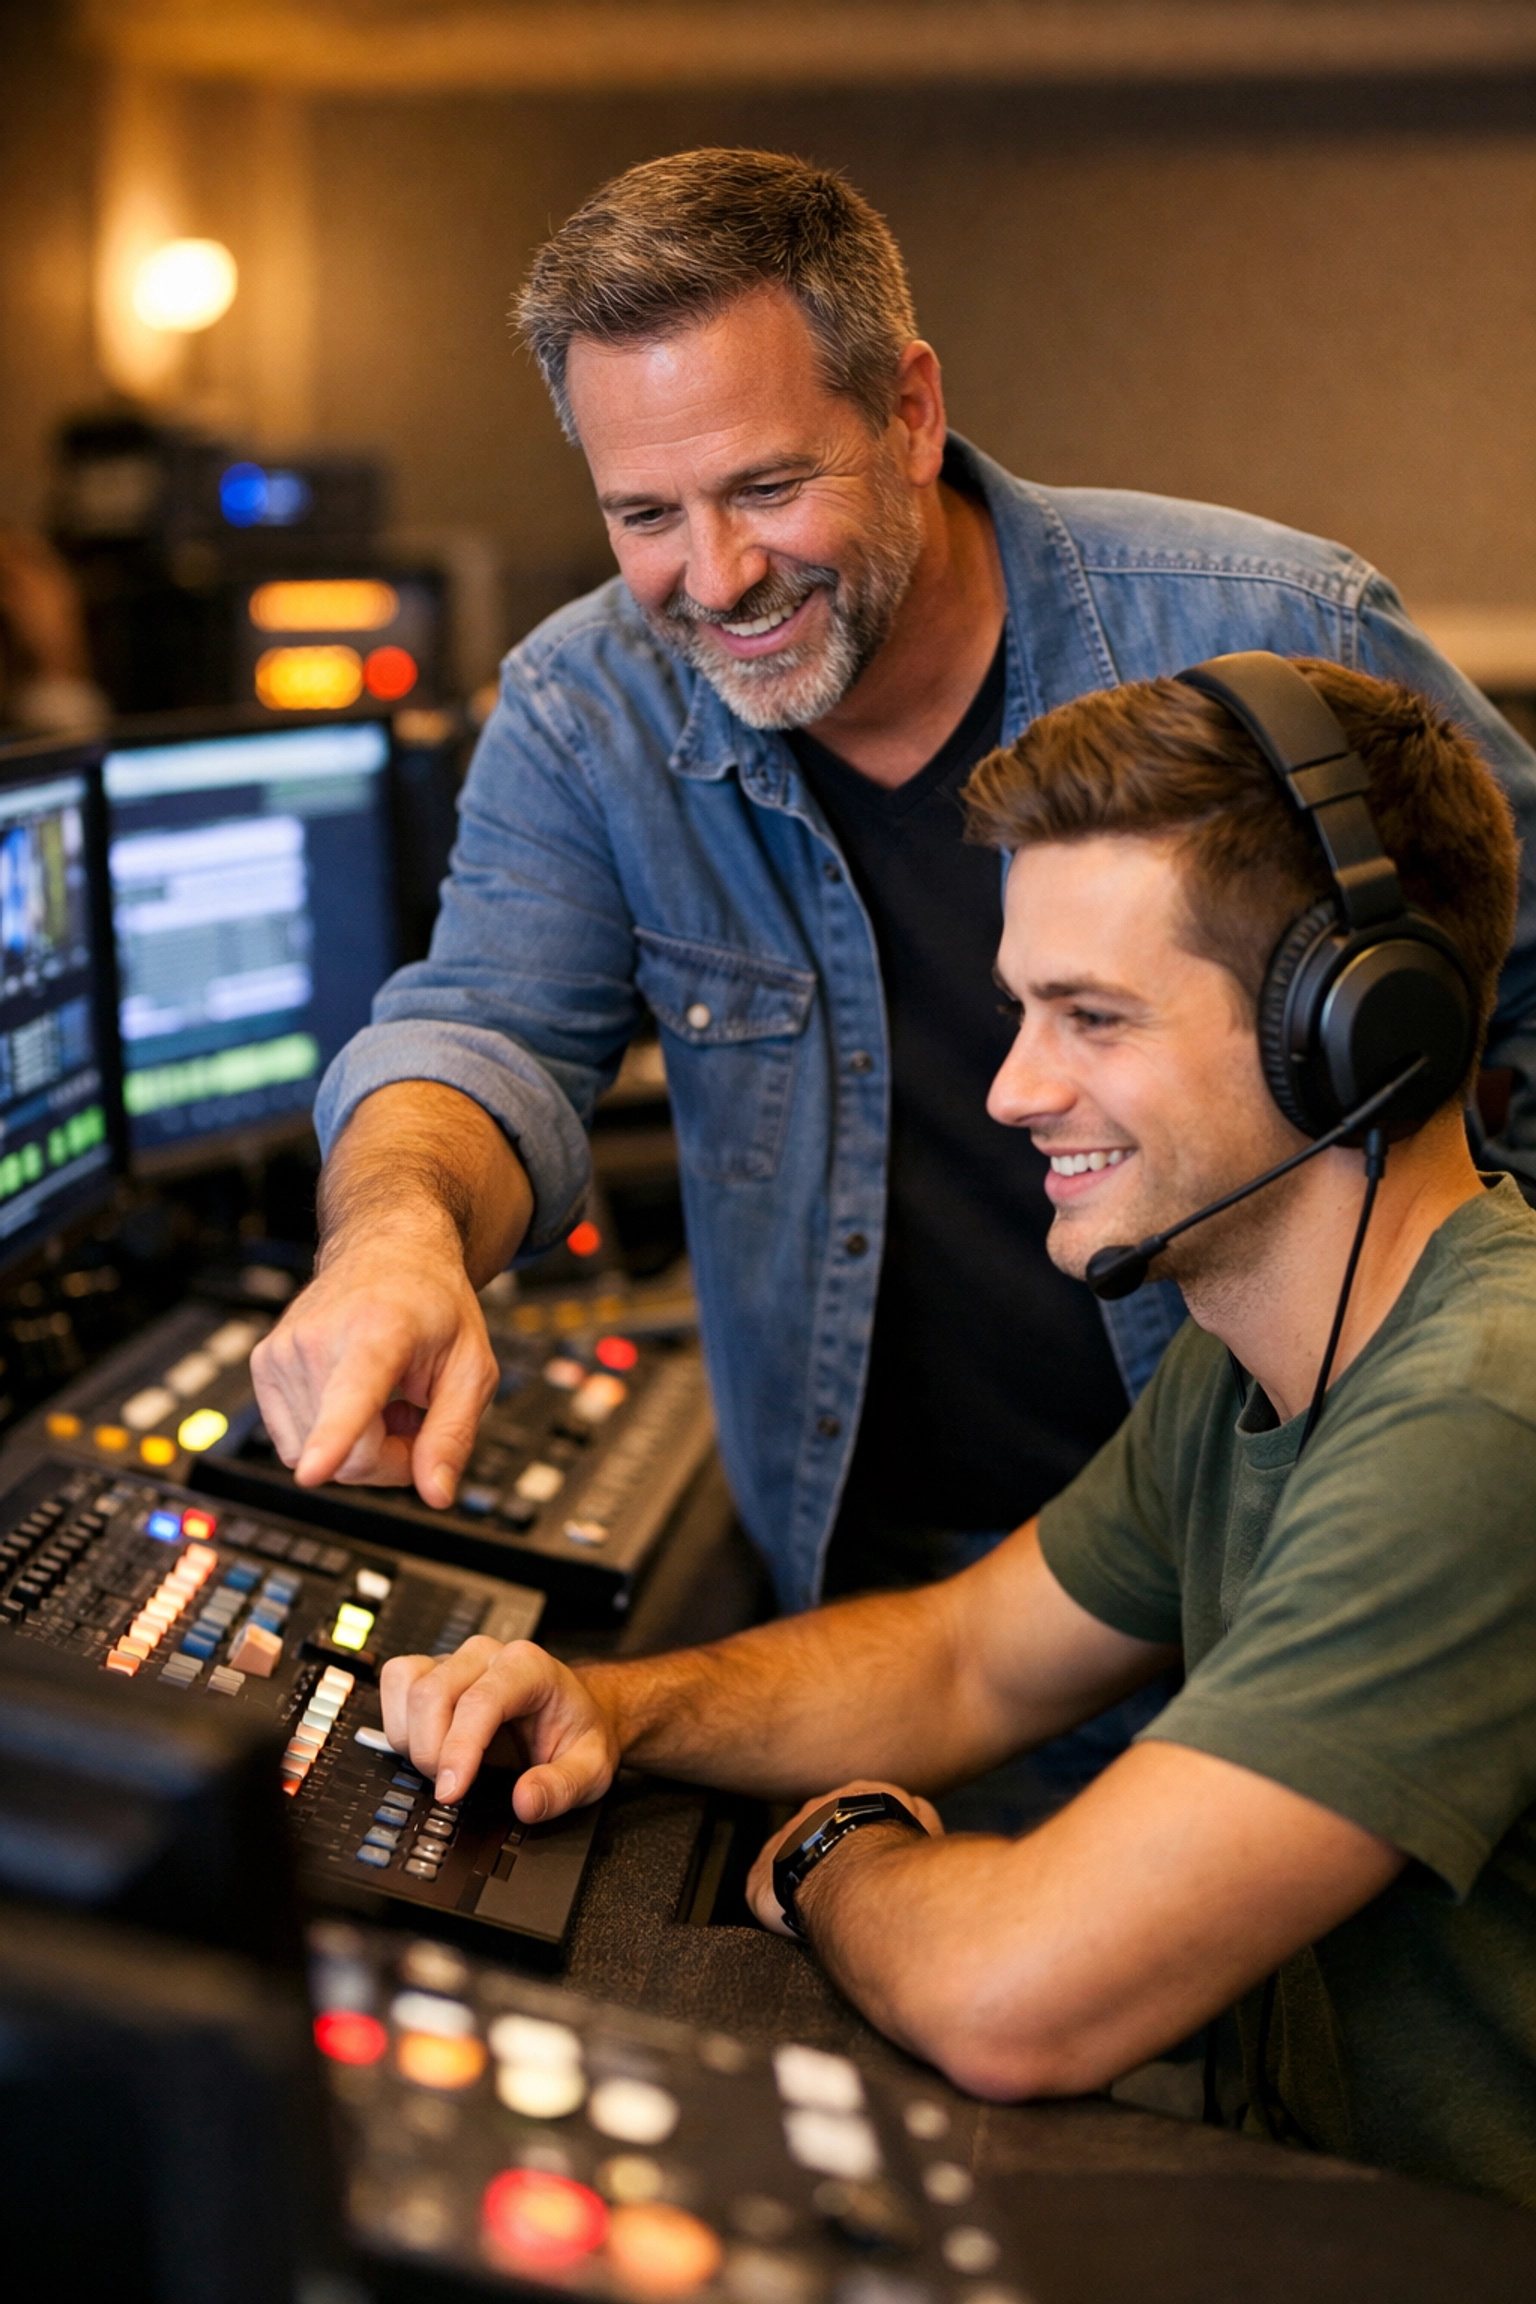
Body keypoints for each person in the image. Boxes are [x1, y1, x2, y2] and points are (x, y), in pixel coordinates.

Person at [251, 149, 1536, 1804]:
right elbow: (481, 1033)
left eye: (767, 487)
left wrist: (1461, 1426)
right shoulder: (588, 709)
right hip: (906, 1623)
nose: (716, 574)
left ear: (911, 412)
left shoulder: (1276, 634)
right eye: (646, 515)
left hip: (1302, 1570)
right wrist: (396, 1238)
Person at [372, 657, 1536, 2206]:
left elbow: (1015, 2001)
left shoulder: (1480, 1408)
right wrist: (614, 1709)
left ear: (1357, 1035)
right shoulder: (1257, 1358)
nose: (1012, 1090)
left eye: (1092, 1018)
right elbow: (966, 1657)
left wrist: (835, 1849)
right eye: (1021, 1012)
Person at [0, 530, 108, 741]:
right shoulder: (45, 574)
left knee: (62, 706)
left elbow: (57, 659)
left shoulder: (30, 583)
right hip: (55, 696)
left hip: (47, 695)